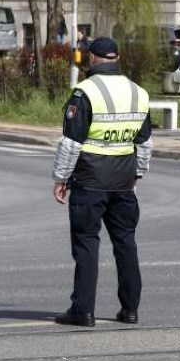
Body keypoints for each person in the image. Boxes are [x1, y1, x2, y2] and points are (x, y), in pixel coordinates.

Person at [51, 36, 153, 327]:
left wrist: (61, 178)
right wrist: (137, 175)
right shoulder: (138, 93)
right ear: (117, 58)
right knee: (126, 243)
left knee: (86, 244)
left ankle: (83, 311)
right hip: (123, 180)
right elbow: (145, 143)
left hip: (89, 180)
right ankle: (130, 309)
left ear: (92, 59)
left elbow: (71, 143)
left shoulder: (84, 92)